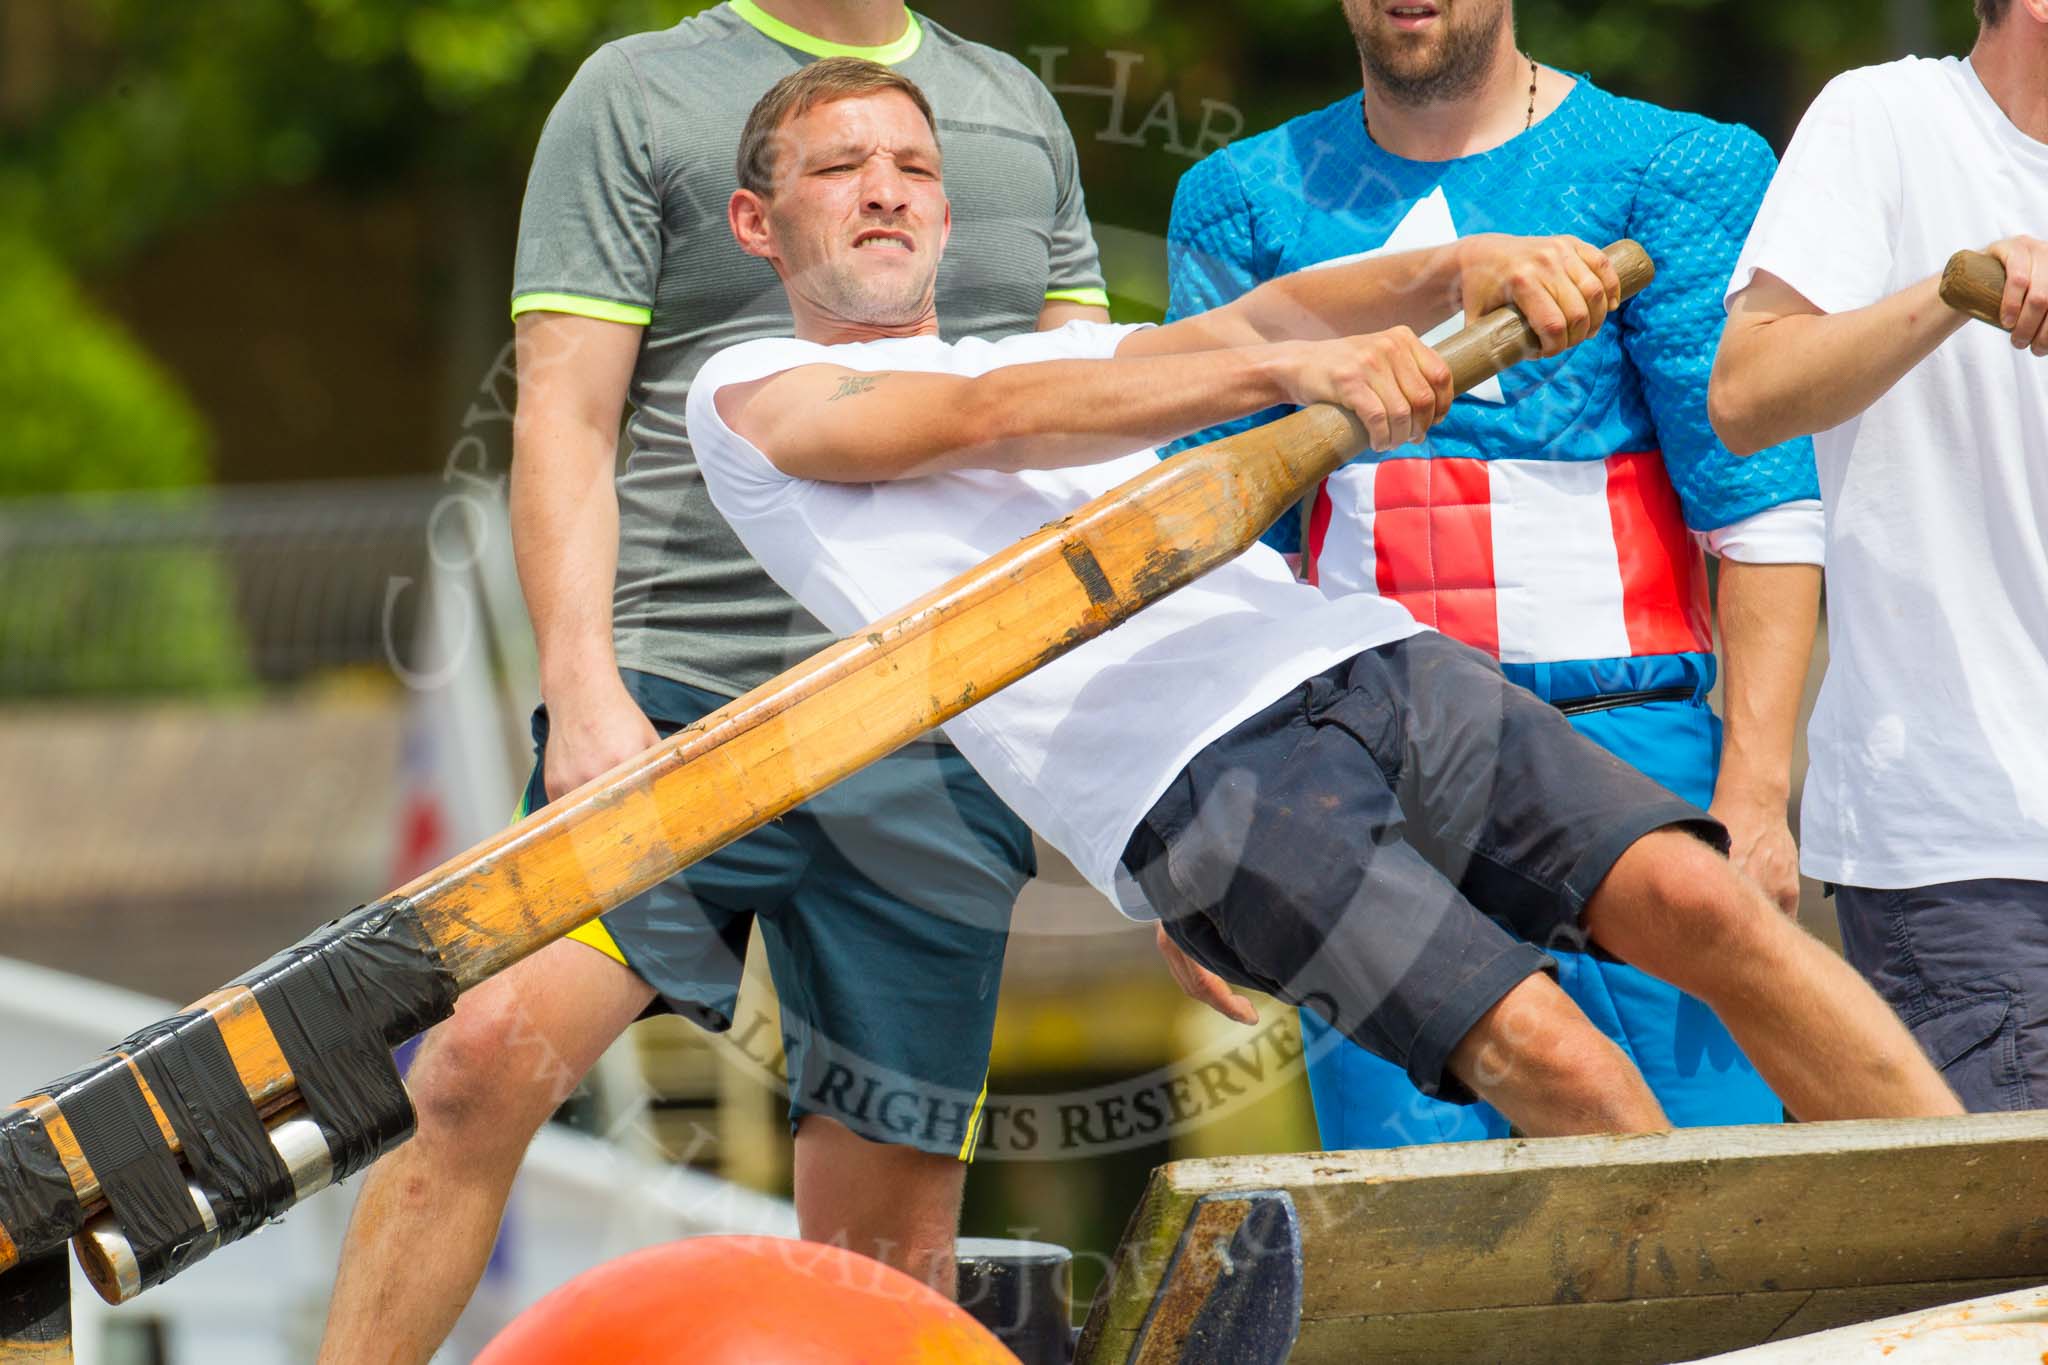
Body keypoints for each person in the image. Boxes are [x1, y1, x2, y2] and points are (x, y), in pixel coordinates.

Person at [684, 59, 1964, 1146]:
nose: (883, 190)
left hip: (1364, 660)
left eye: (910, 166)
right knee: (1552, 1056)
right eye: (839, 169)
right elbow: (986, 421)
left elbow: (1269, 307)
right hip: (1188, 786)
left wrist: (1461, 263)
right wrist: (1294, 372)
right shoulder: (749, 391)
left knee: (1705, 906)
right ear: (757, 223)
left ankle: (1986, 1260)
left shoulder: (1040, 345)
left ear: (946, 215)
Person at [319, 5, 1110, 1358]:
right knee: (478, 1062)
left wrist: (1111, 776)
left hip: (936, 728)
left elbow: (1077, 432)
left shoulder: (1013, 110)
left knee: (883, 1247)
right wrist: (582, 693)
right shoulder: (637, 93)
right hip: (683, 712)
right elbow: (562, 413)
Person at [1162, 0, 1826, 1151]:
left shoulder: (1676, 165)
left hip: (1632, 765)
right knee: (1420, 1246)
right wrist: (1183, 834)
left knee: (1716, 1208)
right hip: (1359, 786)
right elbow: (1212, 546)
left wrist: (1756, 799)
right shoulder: (1239, 198)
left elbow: (1757, 502)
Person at [1710, 0, 2048, 1110]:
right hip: (1969, 858)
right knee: (2010, 1273)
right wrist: (1955, 290)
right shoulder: (1885, 119)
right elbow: (1746, 395)